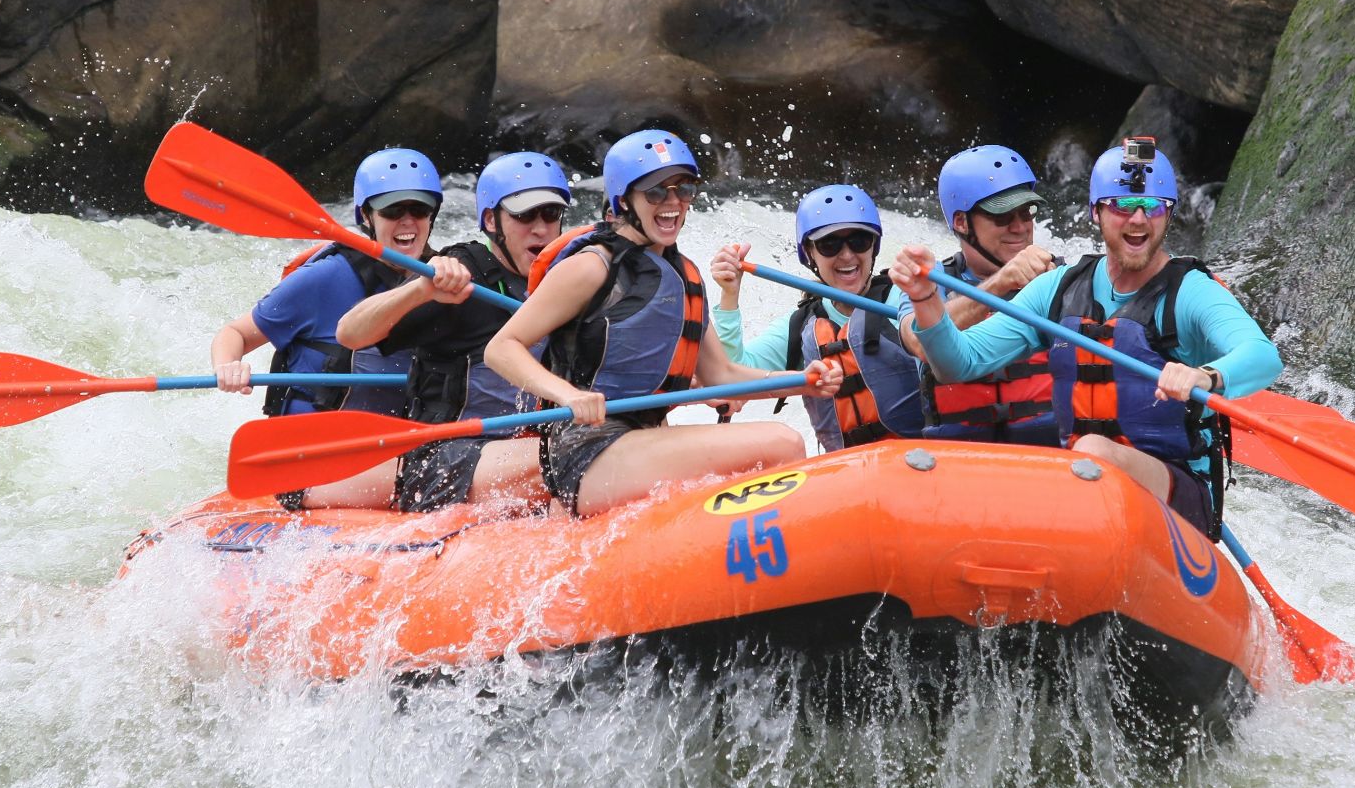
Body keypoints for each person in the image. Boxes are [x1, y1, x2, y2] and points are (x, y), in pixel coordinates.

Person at [888, 138, 1284, 537]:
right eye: (1123, 206)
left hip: (1176, 492)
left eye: (1154, 207)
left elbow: (1262, 355)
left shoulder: (1191, 291)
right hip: (1082, 487)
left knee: (1093, 451)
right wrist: (926, 302)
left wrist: (1205, 376)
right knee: (1082, 461)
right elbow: (961, 362)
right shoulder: (1059, 289)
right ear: (1096, 212)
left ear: (1170, 214)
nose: (1139, 220)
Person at [484, 129, 842, 516]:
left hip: (643, 441)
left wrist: (800, 380)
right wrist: (567, 395)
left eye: (683, 189)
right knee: (783, 442)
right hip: (587, 451)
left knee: (774, 444)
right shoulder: (591, 267)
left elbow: (720, 374)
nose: (672, 202)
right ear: (624, 200)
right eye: (656, 192)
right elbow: (501, 348)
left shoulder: (686, 275)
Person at [298, 152, 573, 512]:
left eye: (551, 215)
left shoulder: (566, 274)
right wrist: (421, 289)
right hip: (445, 456)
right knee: (573, 457)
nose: (540, 228)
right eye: (524, 215)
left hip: (523, 444)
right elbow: (350, 333)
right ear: (491, 220)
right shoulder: (461, 272)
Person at [210, 148, 471, 417]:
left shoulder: (448, 277)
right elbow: (236, 333)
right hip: (315, 431)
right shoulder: (326, 277)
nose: (407, 221)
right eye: (392, 210)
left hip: (401, 439)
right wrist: (227, 366)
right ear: (367, 217)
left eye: (419, 209)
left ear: (432, 215)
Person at [708, 184, 925, 452]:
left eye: (859, 240)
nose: (847, 255)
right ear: (810, 253)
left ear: (874, 247)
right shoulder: (801, 325)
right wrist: (730, 295)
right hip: (844, 470)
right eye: (829, 244)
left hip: (921, 459)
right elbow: (729, 376)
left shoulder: (905, 299)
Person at [893, 145, 1063, 445]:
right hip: (960, 457)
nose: (1020, 226)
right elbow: (920, 343)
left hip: (1050, 452)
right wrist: (1000, 283)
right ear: (961, 223)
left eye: (1027, 212)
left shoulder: (1062, 277)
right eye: (1003, 216)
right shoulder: (925, 283)